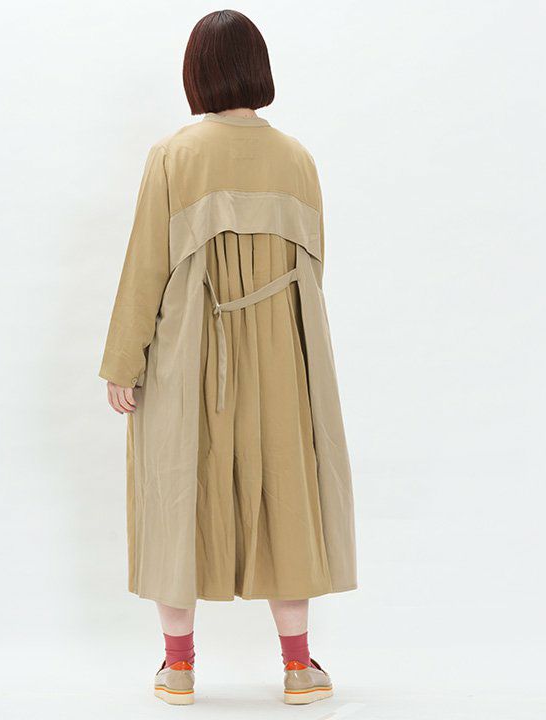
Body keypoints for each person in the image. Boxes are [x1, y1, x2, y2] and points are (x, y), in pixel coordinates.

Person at [99, 9, 357, 706]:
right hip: (282, 354)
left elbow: (145, 266)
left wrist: (124, 361)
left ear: (197, 73)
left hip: (191, 353)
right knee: (287, 495)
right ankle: (299, 668)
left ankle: (178, 667)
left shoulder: (174, 156)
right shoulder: (298, 159)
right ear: (257, 69)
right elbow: (314, 269)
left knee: (176, 489)